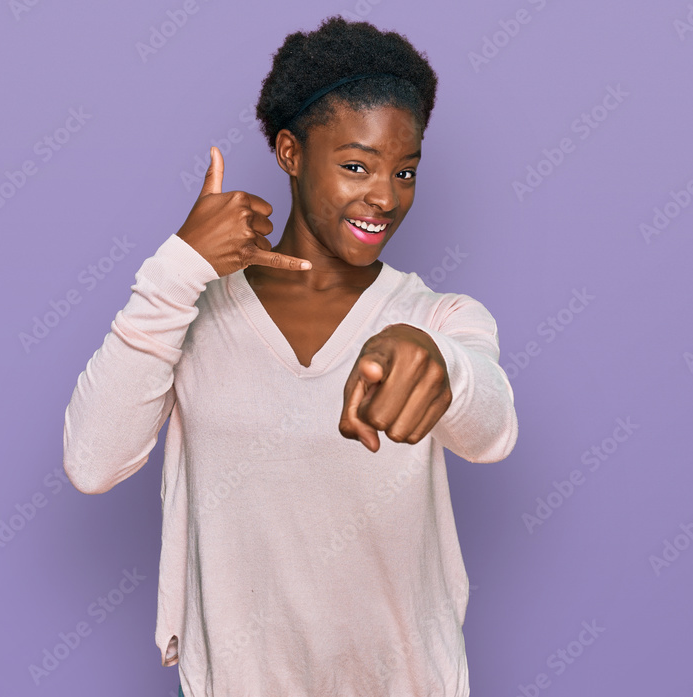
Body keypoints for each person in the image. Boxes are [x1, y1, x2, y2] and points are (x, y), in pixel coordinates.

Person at [62, 15, 518, 697]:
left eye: (405, 170)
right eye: (356, 165)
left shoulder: (439, 317)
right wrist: (179, 267)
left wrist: (440, 366)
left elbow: (493, 430)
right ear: (290, 153)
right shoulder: (195, 315)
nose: (386, 196)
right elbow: (92, 462)